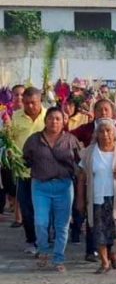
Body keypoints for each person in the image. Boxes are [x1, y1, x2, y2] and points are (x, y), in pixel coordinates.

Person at [22, 107, 81, 272]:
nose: (53, 122)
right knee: (41, 222)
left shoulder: (71, 140)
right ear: (45, 120)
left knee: (61, 225)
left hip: (64, 185)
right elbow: (25, 160)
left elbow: (80, 161)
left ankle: (58, 259)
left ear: (64, 121)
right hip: (40, 185)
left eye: (57, 119)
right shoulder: (34, 140)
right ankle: (43, 251)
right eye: (50, 118)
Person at [77, 119, 116, 274]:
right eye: (101, 131)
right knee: (99, 230)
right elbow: (82, 176)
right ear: (96, 134)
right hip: (97, 198)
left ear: (114, 133)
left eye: (108, 131)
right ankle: (104, 262)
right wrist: (80, 199)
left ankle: (114, 254)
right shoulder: (89, 152)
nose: (105, 134)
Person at [6, 87, 46, 254]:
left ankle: (44, 239)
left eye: (33, 103)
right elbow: (10, 140)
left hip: (45, 172)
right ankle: (31, 240)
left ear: (40, 101)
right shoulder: (15, 117)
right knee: (27, 209)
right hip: (23, 172)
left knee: (43, 210)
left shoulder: (49, 116)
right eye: (26, 103)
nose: (30, 106)